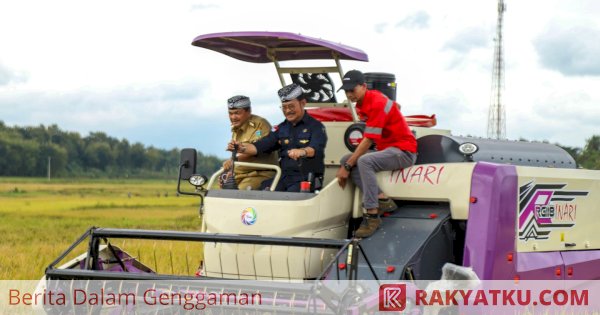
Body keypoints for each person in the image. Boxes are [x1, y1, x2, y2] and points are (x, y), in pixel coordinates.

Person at [336, 70, 417, 238]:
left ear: (364, 86)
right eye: (347, 91)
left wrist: (347, 166)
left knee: (362, 161)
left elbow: (367, 140)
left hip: (404, 151)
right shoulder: (364, 102)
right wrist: (347, 163)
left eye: (353, 90)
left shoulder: (377, 102)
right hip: (386, 149)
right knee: (346, 158)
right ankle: (382, 199)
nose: (350, 94)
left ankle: (372, 215)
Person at [227, 83, 327, 192]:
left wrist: (302, 151)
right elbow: (260, 146)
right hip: (284, 177)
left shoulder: (316, 126)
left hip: (305, 178)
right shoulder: (281, 129)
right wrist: (241, 148)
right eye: (284, 107)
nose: (288, 111)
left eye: (291, 106)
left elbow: (315, 149)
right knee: (262, 193)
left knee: (290, 197)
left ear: (302, 103)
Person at [222, 95, 278, 190]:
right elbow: (236, 154)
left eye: (237, 113)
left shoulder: (259, 125)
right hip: (240, 174)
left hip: (259, 173)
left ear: (248, 111)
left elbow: (256, 150)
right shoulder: (236, 128)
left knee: (237, 196)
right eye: (230, 113)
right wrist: (228, 172)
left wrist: (232, 161)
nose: (233, 117)